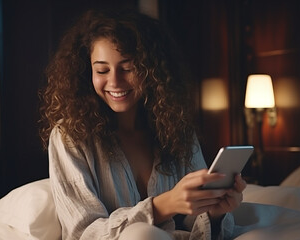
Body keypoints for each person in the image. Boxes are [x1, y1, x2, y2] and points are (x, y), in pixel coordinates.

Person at [39, 8, 246, 240]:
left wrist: (214, 212)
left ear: (152, 70)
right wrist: (162, 205)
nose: (115, 81)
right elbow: (83, 232)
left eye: (128, 68)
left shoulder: (177, 130)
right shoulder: (71, 136)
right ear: (88, 72)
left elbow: (191, 223)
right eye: (102, 70)